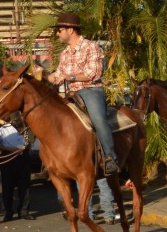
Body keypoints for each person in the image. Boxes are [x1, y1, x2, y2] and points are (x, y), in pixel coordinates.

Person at [44, 12, 120, 176]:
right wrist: (45, 75)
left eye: (60, 30)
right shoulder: (64, 53)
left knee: (98, 120)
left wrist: (69, 76)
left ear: (70, 30)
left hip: (91, 90)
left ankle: (110, 157)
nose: (57, 33)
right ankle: (51, 161)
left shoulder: (91, 47)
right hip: (71, 93)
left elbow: (94, 73)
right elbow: (58, 74)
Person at [0, 111, 32, 221]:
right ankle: (8, 212)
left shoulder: (25, 128)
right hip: (8, 158)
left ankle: (24, 211)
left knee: (25, 185)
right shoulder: (2, 130)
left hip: (23, 157)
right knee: (7, 186)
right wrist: (11, 149)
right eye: (17, 118)